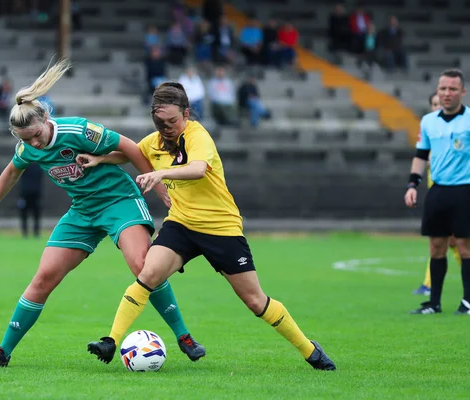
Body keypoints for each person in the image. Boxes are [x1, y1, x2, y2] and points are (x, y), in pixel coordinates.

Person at [84, 82, 336, 370]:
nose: (166, 127)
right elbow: (132, 154)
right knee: (148, 273)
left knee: (255, 301)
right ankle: (111, 341)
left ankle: (310, 350)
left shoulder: (197, 135)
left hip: (221, 228)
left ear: (186, 113)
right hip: (181, 224)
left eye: (172, 121)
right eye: (159, 122)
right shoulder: (154, 141)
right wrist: (99, 159)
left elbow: (198, 169)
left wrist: (162, 173)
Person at [0, 60, 205, 367]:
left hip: (119, 201)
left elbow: (132, 148)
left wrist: (159, 186)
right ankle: (3, 351)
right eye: (25, 140)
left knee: (142, 266)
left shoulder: (80, 130)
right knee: (43, 278)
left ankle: (184, 336)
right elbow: (10, 173)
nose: (34, 144)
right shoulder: (28, 147)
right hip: (82, 210)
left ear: (46, 117)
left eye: (36, 135)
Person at [405, 69, 470, 316]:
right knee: (436, 247)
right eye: (443, 89)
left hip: (466, 191)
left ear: (462, 92)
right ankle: (434, 303)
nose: (447, 94)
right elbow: (420, 156)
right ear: (437, 92)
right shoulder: (428, 121)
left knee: (465, 246)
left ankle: (467, 302)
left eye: (452, 89)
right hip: (438, 191)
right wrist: (412, 185)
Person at [18, 162, 43, 238]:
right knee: (29, 214)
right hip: (29, 193)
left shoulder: (26, 164)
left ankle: (31, 233)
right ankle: (30, 233)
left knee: (33, 215)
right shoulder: (37, 165)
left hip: (30, 193)